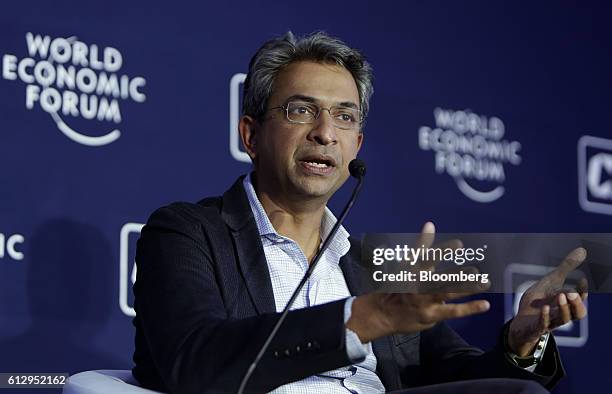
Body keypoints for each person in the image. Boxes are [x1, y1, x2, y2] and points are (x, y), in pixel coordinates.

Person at [132, 31, 588, 394]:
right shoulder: (188, 233)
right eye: (301, 110)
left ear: (357, 147)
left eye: (345, 117)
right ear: (251, 135)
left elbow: (456, 375)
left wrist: (520, 341)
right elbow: (191, 361)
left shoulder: (372, 265)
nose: (325, 133)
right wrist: (360, 320)